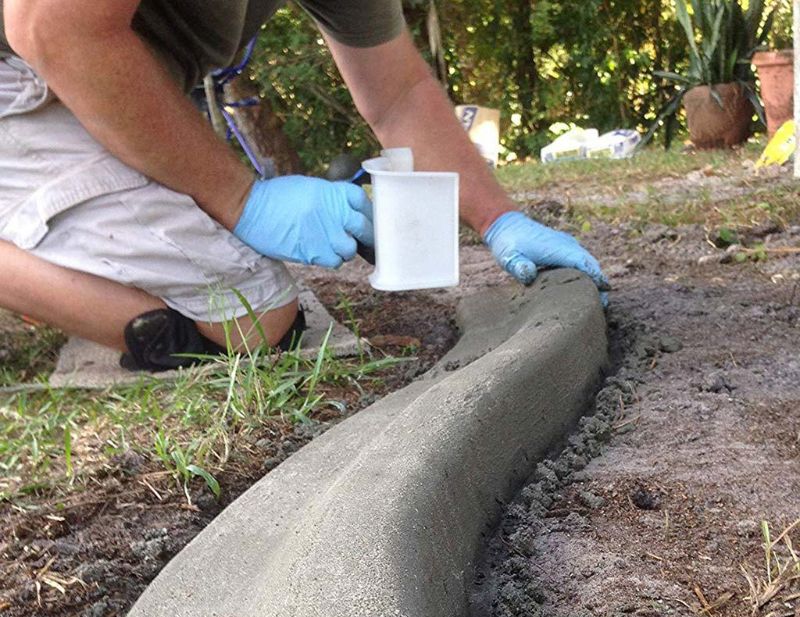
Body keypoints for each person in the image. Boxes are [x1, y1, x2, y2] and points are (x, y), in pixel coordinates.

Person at [0, 0, 608, 372]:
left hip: (100, 83)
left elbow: (397, 94)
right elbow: (52, 28)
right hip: (25, 71)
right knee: (253, 320)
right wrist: (244, 201)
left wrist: (499, 219)